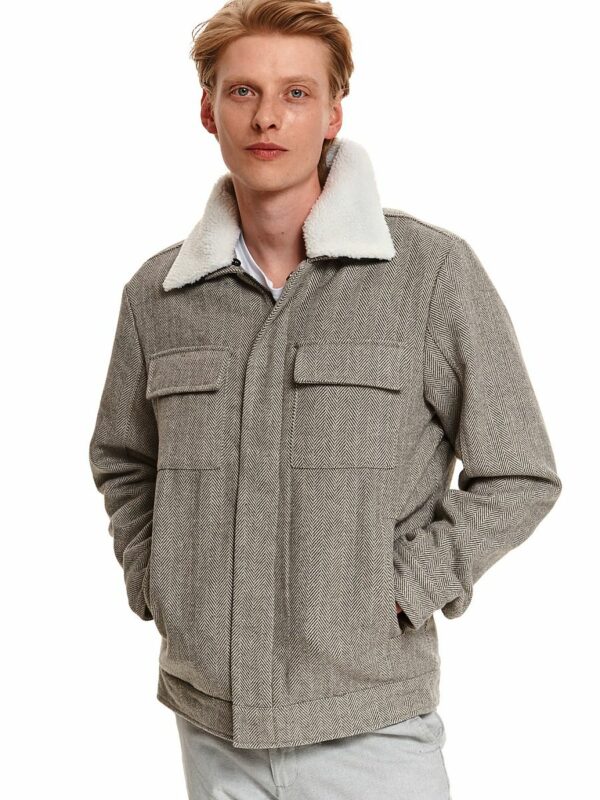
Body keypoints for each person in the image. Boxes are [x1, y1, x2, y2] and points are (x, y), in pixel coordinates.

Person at [88, 1, 562, 797]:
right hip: (211, 724)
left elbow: (519, 473)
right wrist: (159, 579)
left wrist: (400, 591)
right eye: (243, 91)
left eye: (297, 93)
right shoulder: (158, 295)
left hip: (372, 727)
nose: (267, 117)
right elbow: (124, 458)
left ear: (334, 112)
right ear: (207, 110)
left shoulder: (428, 275)